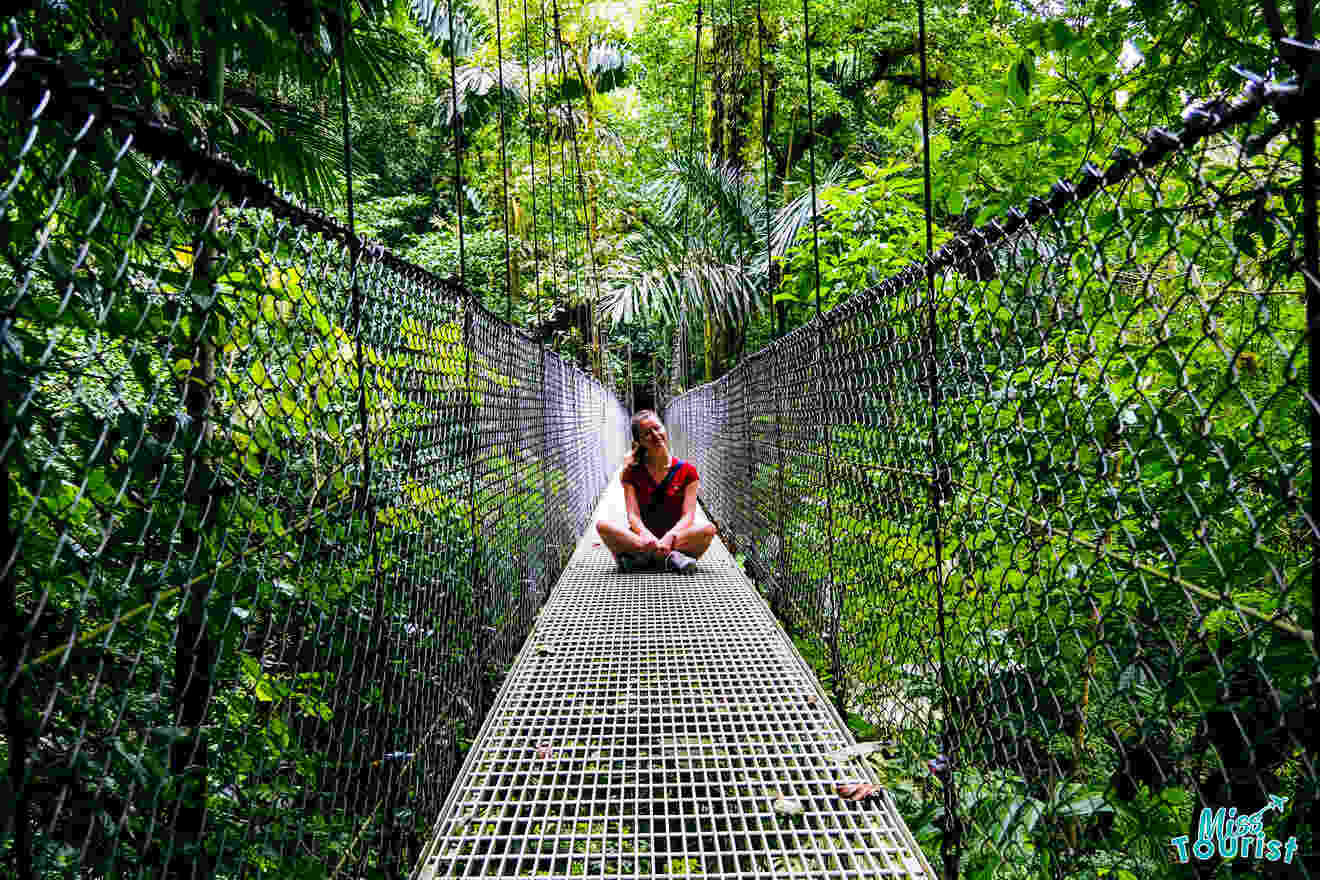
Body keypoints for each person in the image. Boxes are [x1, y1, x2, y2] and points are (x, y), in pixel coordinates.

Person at [596, 409, 717, 573]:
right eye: (647, 433)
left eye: (657, 428)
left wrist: (670, 536)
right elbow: (633, 516)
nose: (655, 434)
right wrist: (647, 537)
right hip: (643, 539)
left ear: (664, 428)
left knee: (708, 530)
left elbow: (688, 515)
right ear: (639, 441)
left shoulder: (688, 472)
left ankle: (642, 559)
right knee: (602, 526)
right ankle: (671, 558)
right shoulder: (632, 472)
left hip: (676, 538)